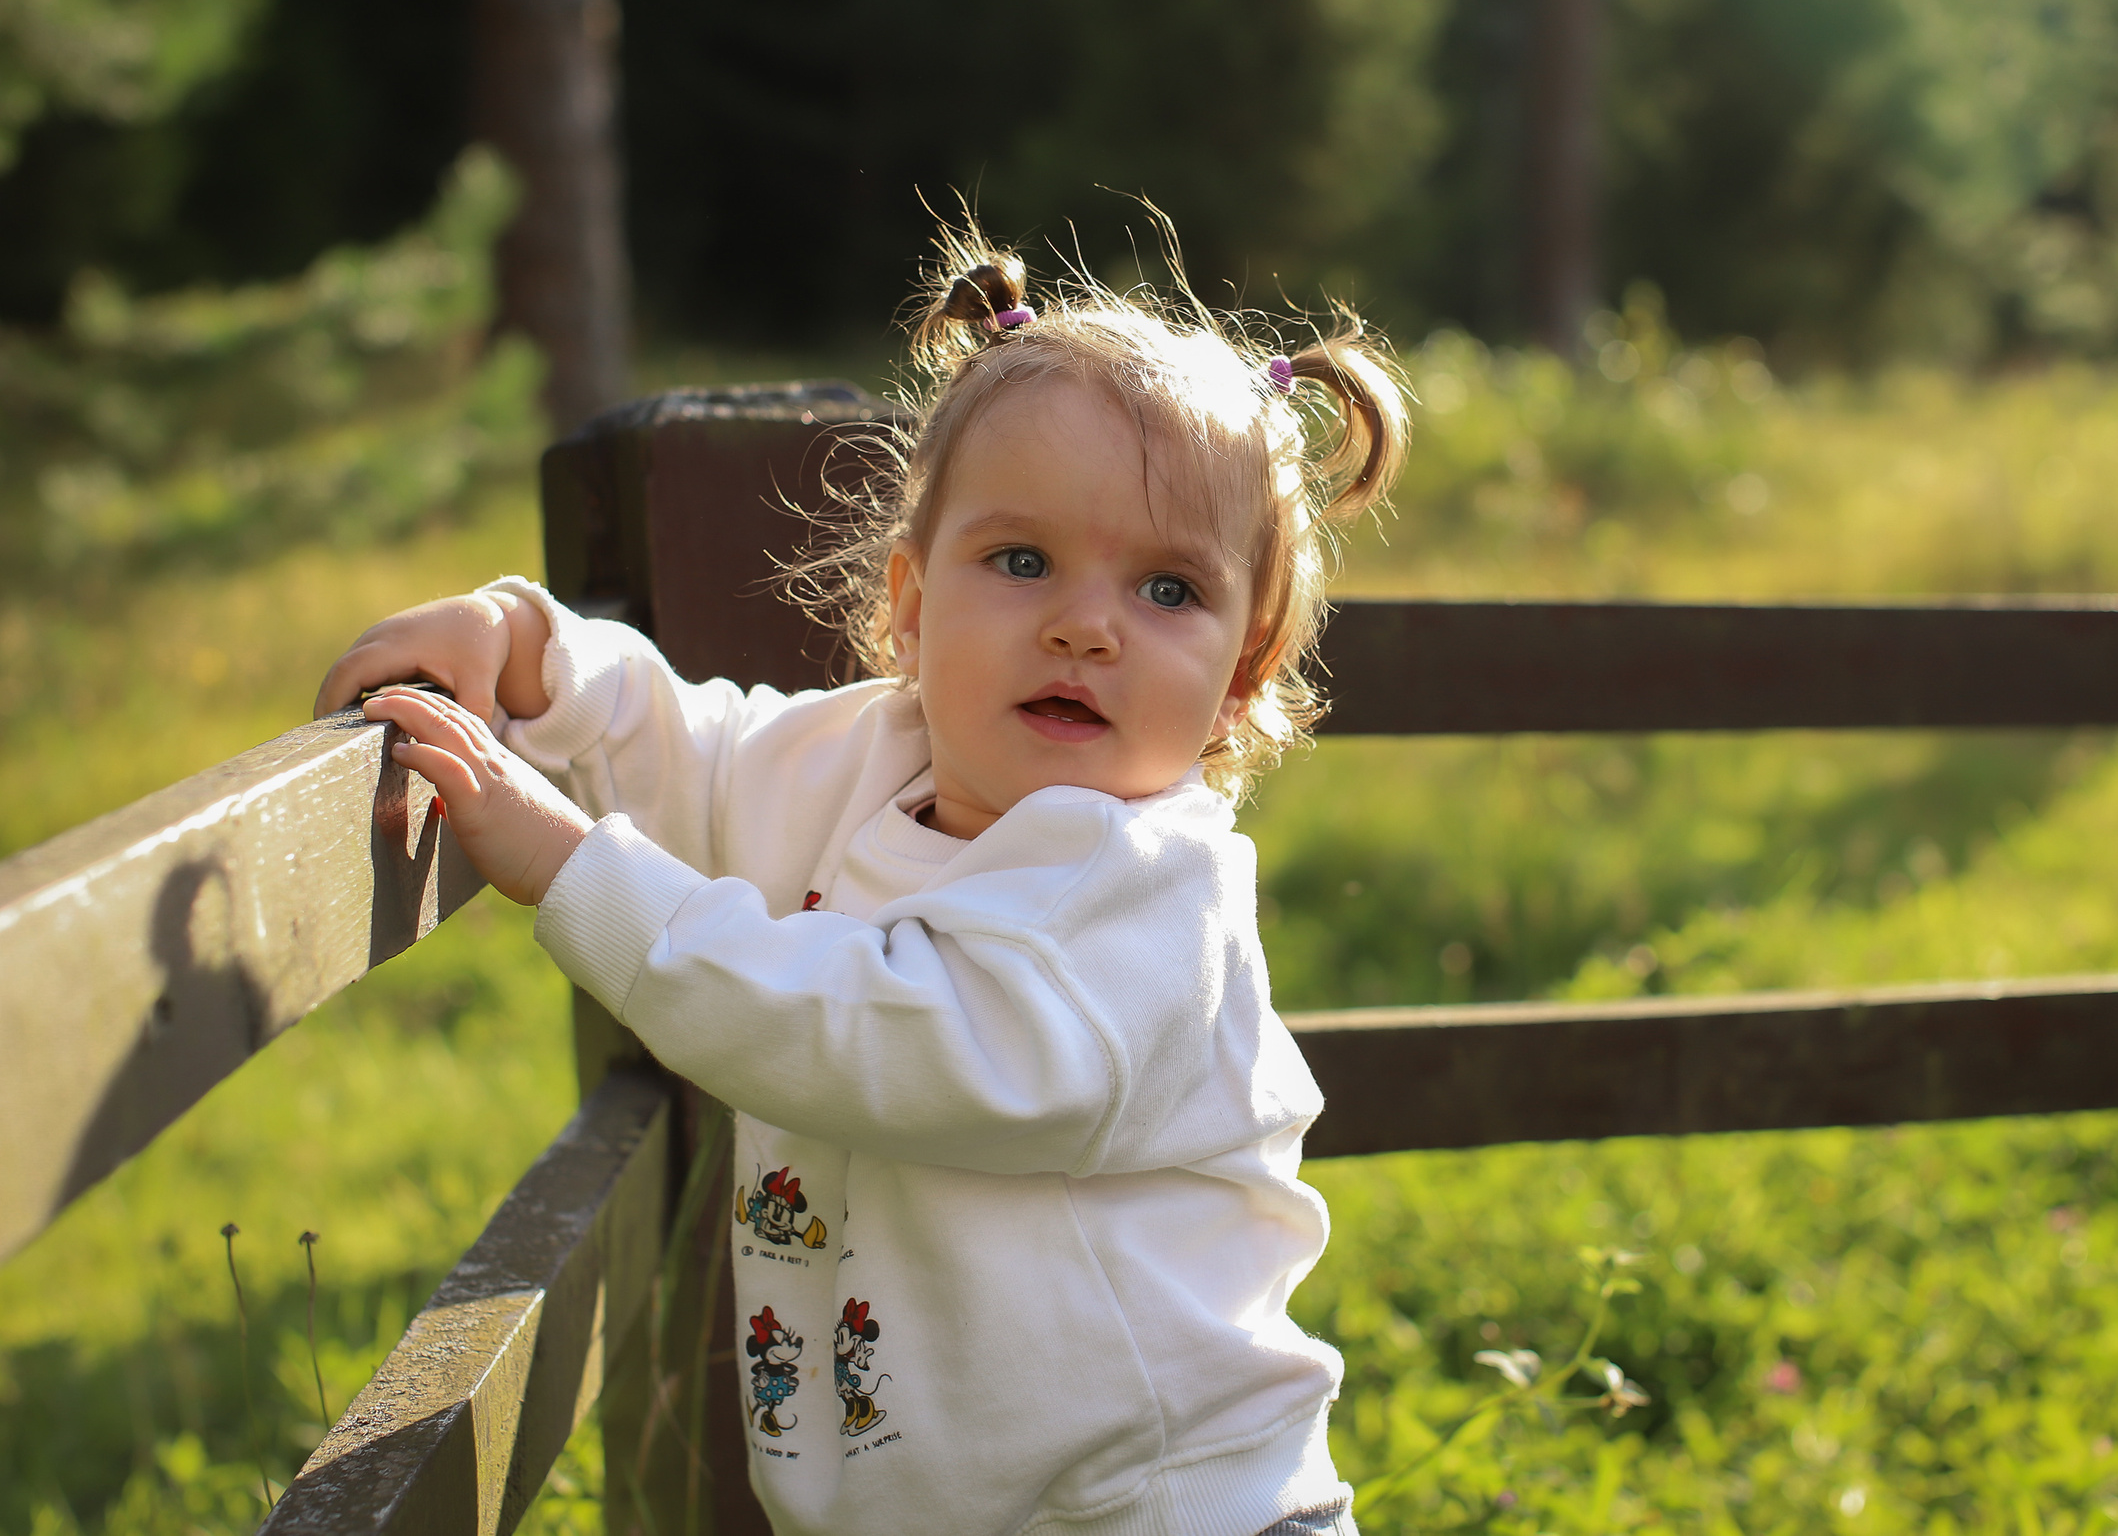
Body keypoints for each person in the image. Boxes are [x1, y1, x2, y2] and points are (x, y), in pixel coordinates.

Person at [313, 233, 1409, 1536]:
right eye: (1020, 561)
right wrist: (534, 655)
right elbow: (699, 752)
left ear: (1239, 675)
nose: (1086, 624)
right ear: (910, 603)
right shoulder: (865, 761)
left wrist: (565, 867)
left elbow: (874, 1032)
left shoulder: (1146, 898)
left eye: (1169, 588)